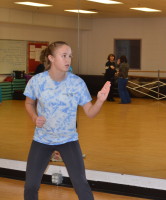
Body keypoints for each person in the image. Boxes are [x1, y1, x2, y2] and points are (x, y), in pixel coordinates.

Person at [23, 41, 111, 200]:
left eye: (70, 56)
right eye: (63, 55)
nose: (68, 59)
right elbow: (29, 103)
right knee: (30, 186)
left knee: (81, 184)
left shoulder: (76, 83)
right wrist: (34, 117)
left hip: (69, 140)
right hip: (42, 140)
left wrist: (100, 100)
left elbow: (90, 113)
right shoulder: (37, 81)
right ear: (51, 58)